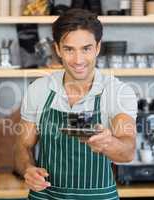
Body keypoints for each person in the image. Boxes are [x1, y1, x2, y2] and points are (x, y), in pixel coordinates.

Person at [15, 8, 137, 200]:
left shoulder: (117, 92)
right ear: (57, 49)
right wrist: (28, 169)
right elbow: (23, 146)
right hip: (46, 196)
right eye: (69, 49)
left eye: (86, 49)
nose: (78, 60)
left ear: (97, 48)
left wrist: (109, 143)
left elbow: (128, 150)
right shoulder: (38, 90)